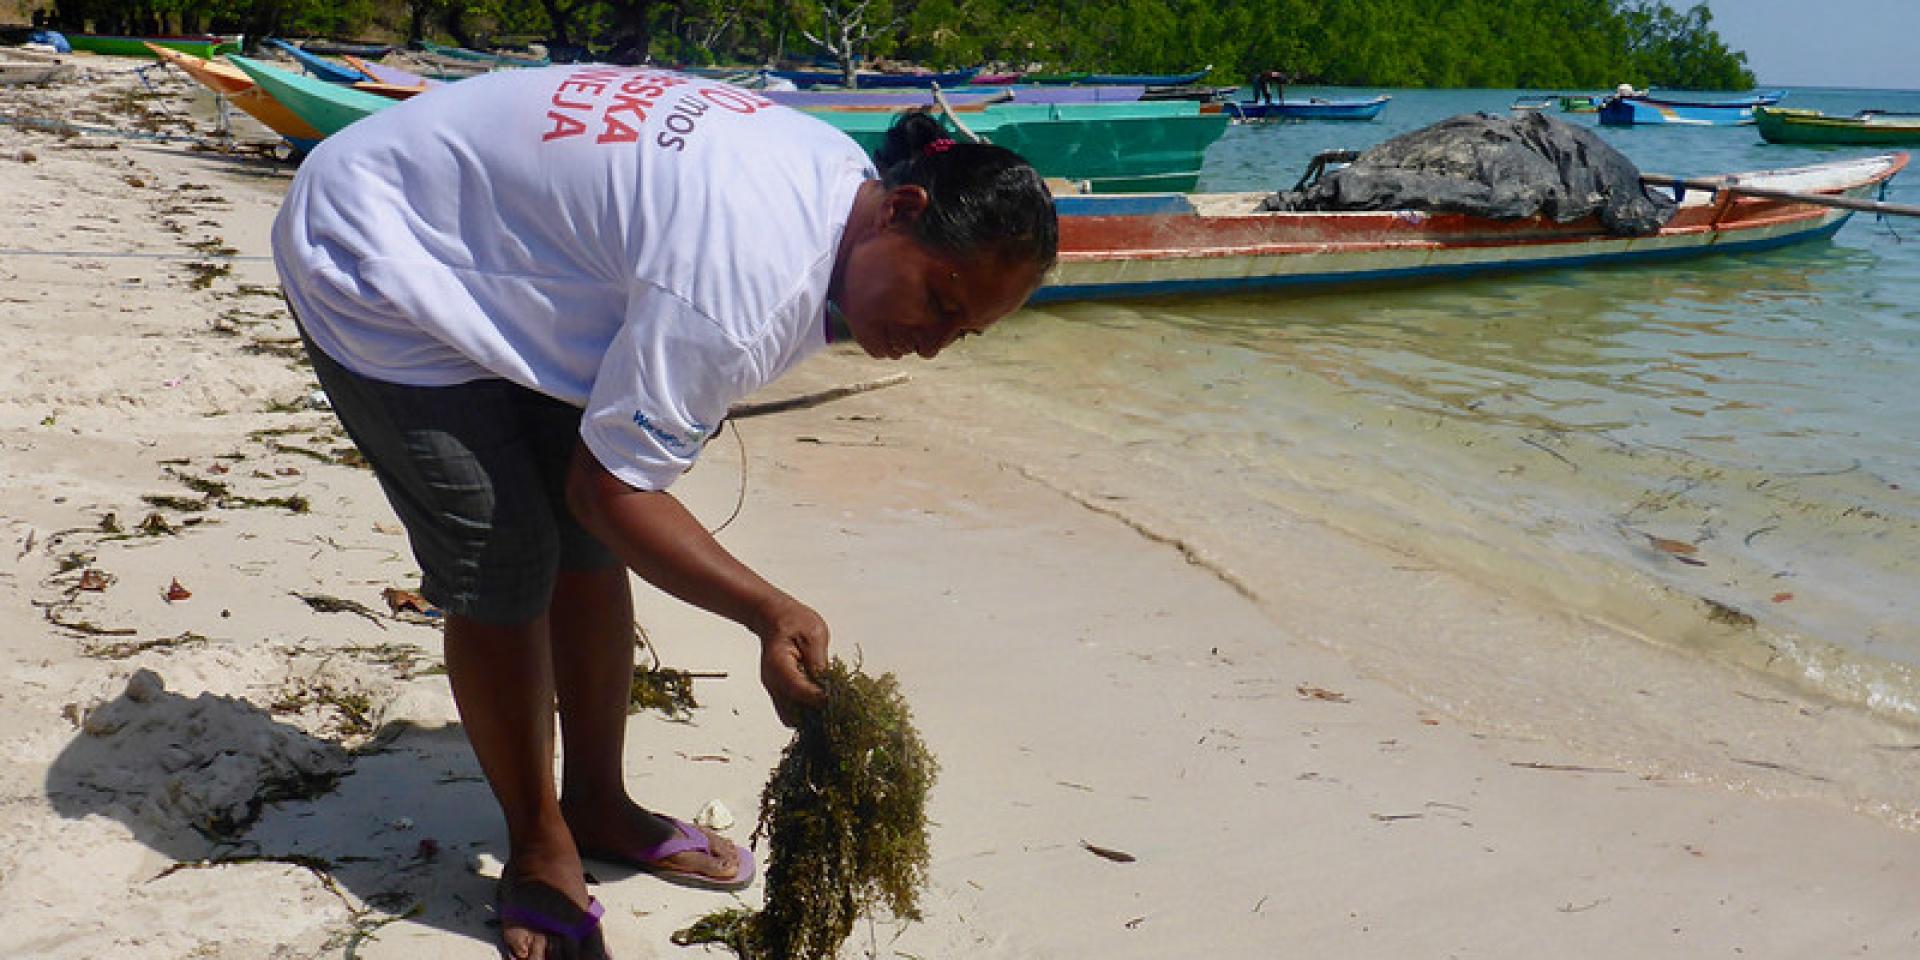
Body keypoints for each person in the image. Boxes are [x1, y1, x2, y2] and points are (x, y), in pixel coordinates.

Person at [271, 65, 1057, 960]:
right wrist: (772, 612)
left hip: (507, 243)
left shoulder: (838, 184)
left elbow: (604, 498)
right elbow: (611, 493)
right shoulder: (745, 288)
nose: (931, 345)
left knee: (581, 541)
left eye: (963, 333)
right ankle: (537, 844)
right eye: (939, 302)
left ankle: (597, 802)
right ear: (903, 210)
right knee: (504, 560)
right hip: (376, 246)